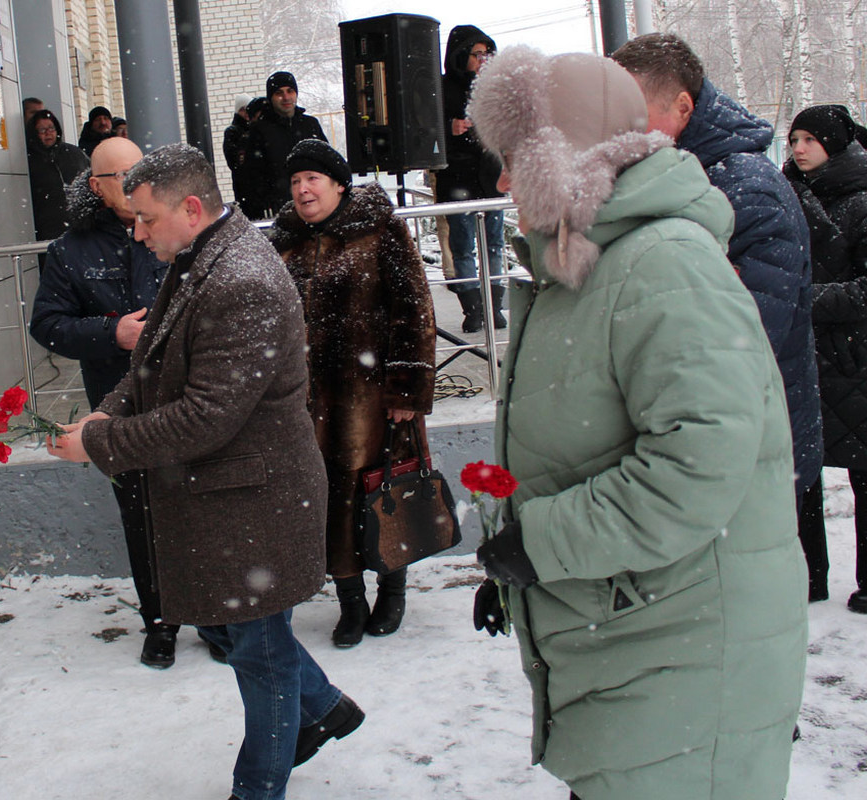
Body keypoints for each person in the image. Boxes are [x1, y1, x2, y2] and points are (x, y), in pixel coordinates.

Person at [468, 47, 807, 799]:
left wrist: (542, 543)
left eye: (513, 160)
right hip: (632, 644)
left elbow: (697, 470)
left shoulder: (664, 264)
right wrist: (518, 569)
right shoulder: (581, 267)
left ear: (563, 160)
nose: (499, 183)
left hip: (685, 661)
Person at [48, 143, 362, 800]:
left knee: (259, 649)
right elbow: (148, 371)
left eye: (145, 219)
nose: (136, 232)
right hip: (229, 502)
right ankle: (327, 707)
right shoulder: (197, 256)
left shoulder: (241, 278)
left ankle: (258, 787)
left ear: (191, 209)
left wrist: (103, 446)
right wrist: (101, 420)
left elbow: (205, 418)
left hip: (255, 502)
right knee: (246, 630)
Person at [612, 34, 822, 516]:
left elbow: (742, 341)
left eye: (634, 113)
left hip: (748, 443)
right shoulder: (681, 176)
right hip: (719, 440)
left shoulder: (742, 189)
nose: (621, 130)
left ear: (683, 106)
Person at [270, 140, 435, 647]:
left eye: (313, 179)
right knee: (327, 499)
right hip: (312, 403)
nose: (303, 189)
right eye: (296, 182)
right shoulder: (285, 242)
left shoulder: (380, 231)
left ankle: (393, 587)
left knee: (382, 489)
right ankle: (349, 599)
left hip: (375, 400)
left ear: (339, 184)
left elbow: (415, 308)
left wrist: (407, 387)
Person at [28, 136, 176, 665]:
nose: (136, 181)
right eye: (122, 176)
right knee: (139, 514)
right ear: (96, 186)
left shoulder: (174, 227)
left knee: (196, 506)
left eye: (143, 169)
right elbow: (47, 324)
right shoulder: (71, 250)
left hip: (184, 398)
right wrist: (112, 333)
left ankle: (215, 615)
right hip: (117, 403)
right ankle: (159, 623)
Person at [783, 104, 867, 612]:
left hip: (856, 358)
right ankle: (805, 576)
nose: (798, 147)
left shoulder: (863, 201)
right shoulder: (784, 193)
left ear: (834, 143)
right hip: (801, 354)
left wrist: (803, 296)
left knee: (865, 472)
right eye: (794, 138)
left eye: (810, 138)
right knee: (799, 472)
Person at [436, 25, 506, 333]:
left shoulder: (495, 87)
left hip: (491, 176)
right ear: (461, 55)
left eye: (487, 53)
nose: (483, 60)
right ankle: (472, 309)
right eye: (477, 54)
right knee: (463, 245)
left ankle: (494, 305)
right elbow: (425, 132)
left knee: (494, 243)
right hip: (458, 177)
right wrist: (448, 128)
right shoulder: (439, 89)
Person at [245, 71, 328, 218]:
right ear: (271, 98)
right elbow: (252, 175)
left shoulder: (310, 125)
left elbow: (327, 163)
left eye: (290, 91)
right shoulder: (259, 131)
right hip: (279, 210)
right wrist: (266, 203)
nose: (286, 97)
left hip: (314, 204)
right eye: (279, 93)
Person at [25, 109, 89, 246]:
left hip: (78, 225)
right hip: (47, 228)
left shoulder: (73, 154)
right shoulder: (29, 161)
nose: (48, 133)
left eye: (51, 128)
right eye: (42, 130)